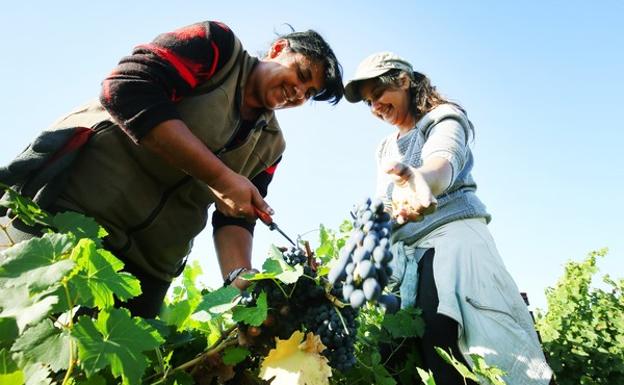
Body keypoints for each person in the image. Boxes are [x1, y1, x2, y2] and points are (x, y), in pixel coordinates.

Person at [0, 20, 343, 318]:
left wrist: (243, 282)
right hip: (69, 214)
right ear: (279, 48)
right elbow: (126, 88)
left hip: (146, 269)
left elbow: (235, 216)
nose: (298, 92)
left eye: (309, 93)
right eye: (301, 74)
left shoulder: (272, 146)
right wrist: (221, 177)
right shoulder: (217, 48)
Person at [344, 52, 552, 385]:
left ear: (402, 80)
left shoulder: (443, 118)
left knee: (452, 350)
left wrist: (423, 180)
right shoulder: (385, 147)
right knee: (396, 359)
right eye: (368, 102)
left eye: (378, 94)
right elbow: (387, 202)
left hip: (452, 245)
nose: (375, 107)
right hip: (407, 259)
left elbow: (443, 161)